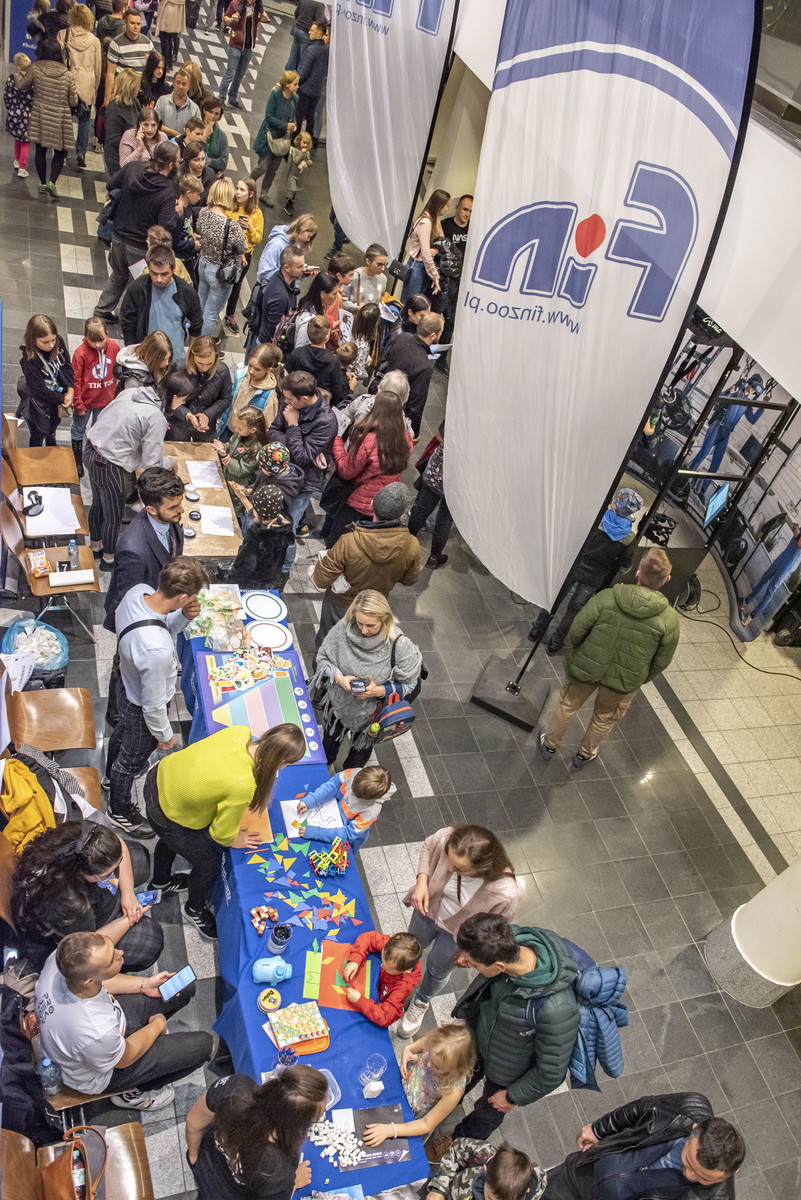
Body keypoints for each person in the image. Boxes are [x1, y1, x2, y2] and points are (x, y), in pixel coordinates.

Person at [144, 723, 306, 937]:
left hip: (159, 778)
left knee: (170, 840)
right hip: (167, 814)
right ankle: (193, 909)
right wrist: (235, 838)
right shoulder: (244, 785)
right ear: (280, 762)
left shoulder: (240, 731)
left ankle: (161, 882)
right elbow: (221, 834)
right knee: (209, 862)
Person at [34, 930, 214, 1111]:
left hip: (112, 1024)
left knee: (183, 988)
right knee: (206, 1046)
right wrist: (157, 1025)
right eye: (111, 960)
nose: (121, 953)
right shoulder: (94, 1030)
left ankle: (154, 1042)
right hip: (106, 1071)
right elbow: (126, 1058)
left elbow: (101, 981)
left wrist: (144, 985)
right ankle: (133, 1093)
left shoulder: (60, 961)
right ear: (88, 981)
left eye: (113, 949)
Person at [539, 546, 680, 768]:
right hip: (623, 680)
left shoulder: (608, 596)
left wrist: (581, 653)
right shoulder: (669, 619)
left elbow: (577, 630)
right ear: (667, 579)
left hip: (587, 665)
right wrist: (639, 677)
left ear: (637, 572)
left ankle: (549, 745)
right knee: (604, 717)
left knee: (567, 704)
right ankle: (584, 754)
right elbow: (662, 660)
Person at [450, 913, 581, 1140]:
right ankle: (447, 1105)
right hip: (483, 1039)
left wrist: (512, 1096)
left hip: (507, 1071)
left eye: (473, 963)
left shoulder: (555, 1009)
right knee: (461, 1078)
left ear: (499, 966)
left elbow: (551, 1072)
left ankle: (458, 1143)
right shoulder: (505, 942)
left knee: (487, 1114)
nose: (465, 963)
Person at [105, 554, 208, 837]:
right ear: (182, 597)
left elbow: (157, 624)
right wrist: (164, 736)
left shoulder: (138, 592)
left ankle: (109, 777)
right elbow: (152, 706)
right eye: (192, 597)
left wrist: (182, 617)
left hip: (125, 683)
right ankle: (119, 810)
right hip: (141, 706)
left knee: (121, 736)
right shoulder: (157, 652)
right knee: (129, 762)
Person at [399, 826, 521, 1038]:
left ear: (483, 868)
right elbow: (429, 845)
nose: (449, 868)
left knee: (437, 969)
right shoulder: (450, 838)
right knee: (411, 946)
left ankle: (421, 1001)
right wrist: (422, 881)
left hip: (458, 936)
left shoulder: (506, 894)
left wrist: (470, 952)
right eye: (449, 859)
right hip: (427, 910)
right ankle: (400, 978)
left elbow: (493, 931)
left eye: (460, 869)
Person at [11, 822, 164, 973]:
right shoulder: (70, 905)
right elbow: (84, 947)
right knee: (151, 940)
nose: (114, 875)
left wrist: (128, 892)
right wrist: (129, 919)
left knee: (139, 855)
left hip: (91, 903)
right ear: (80, 871)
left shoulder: (81, 837)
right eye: (106, 875)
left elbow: (120, 845)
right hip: (81, 936)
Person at [542, 1095, 745, 1200]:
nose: (690, 1175)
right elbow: (639, 1108)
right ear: (694, 1130)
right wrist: (599, 1129)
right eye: (687, 1162)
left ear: (733, 1172)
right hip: (582, 1171)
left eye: (703, 1178)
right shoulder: (690, 1106)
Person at [85, 337, 175, 568]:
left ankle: (95, 547)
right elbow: (151, 463)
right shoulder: (154, 416)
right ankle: (109, 559)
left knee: (98, 504)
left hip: (92, 447)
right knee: (113, 514)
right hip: (110, 463)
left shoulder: (132, 393)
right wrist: (169, 462)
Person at [310, 589, 422, 767]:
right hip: (338, 705)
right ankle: (325, 767)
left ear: (385, 620)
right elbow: (323, 657)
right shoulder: (344, 627)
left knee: (358, 757)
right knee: (329, 745)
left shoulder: (400, 645)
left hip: (371, 717)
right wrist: (339, 678)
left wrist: (379, 691)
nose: (363, 630)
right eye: (360, 622)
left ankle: (348, 779)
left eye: (370, 625)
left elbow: (411, 684)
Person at [186, 1065, 328, 1200]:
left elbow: (193, 1122)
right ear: (298, 1125)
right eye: (317, 1117)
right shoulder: (280, 1170)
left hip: (203, 1164)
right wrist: (294, 1183)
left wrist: (193, 1156)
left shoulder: (238, 1087)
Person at [528, 487, 641, 653]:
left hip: (574, 567)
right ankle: (555, 642)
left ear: (616, 503)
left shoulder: (595, 519)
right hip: (595, 576)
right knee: (574, 610)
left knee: (554, 599)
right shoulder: (629, 537)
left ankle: (536, 630)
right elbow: (625, 565)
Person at [313, 482, 420, 645]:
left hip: (340, 603)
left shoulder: (348, 541)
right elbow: (409, 580)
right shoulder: (412, 545)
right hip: (374, 606)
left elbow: (321, 580)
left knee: (327, 642)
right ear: (401, 516)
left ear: (372, 506)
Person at [95, 140, 183, 321]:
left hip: (117, 236)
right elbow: (166, 225)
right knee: (139, 285)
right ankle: (131, 319)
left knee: (118, 274)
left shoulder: (133, 168)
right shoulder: (167, 191)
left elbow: (111, 184)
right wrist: (177, 214)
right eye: (179, 161)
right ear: (171, 165)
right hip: (139, 247)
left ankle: (101, 311)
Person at [267, 369, 338, 575]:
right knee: (271, 519)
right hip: (279, 472)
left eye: (289, 398)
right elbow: (273, 431)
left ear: (305, 398)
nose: (284, 401)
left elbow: (301, 457)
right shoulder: (290, 403)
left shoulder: (326, 421)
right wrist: (292, 441)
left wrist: (292, 425)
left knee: (288, 527)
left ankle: (284, 570)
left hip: (303, 482)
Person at [363, 1023, 475, 1148]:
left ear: (455, 1070)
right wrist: (408, 1049)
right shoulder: (436, 1043)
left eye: (437, 1066)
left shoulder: (454, 1091)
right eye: (429, 1056)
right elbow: (419, 1044)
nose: (428, 1065)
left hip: (413, 1116)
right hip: (403, 1083)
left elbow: (426, 1124)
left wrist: (390, 1130)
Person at [324, 391, 413, 546]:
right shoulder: (405, 437)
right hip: (381, 499)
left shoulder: (368, 439)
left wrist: (337, 441)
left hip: (358, 499)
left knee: (338, 539)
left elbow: (346, 471)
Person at [103, 466, 185, 632]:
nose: (181, 510)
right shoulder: (133, 551)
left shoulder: (167, 518)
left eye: (180, 503)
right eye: (173, 507)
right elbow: (126, 602)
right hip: (142, 621)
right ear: (151, 509)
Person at [687, 373, 764, 496]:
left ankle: (702, 491)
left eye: (755, 390)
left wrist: (762, 407)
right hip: (718, 425)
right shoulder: (736, 389)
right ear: (750, 383)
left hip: (726, 433)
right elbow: (719, 397)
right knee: (703, 453)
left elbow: (752, 419)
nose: (753, 391)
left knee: (715, 465)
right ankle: (686, 477)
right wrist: (731, 391)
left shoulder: (747, 403)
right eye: (753, 387)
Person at [120, 244, 203, 356]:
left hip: (175, 357)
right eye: (154, 273)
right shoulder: (137, 289)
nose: (159, 279)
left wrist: (192, 357)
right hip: (145, 357)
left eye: (164, 274)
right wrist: (132, 352)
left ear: (173, 269)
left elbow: (196, 327)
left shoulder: (187, 293)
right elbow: (128, 323)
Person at [296, 764, 394, 849]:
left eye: (357, 796)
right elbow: (333, 784)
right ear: (364, 768)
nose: (351, 793)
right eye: (352, 787)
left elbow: (348, 834)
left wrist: (317, 833)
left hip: (342, 832)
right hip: (330, 810)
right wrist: (312, 799)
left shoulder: (371, 811)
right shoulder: (355, 772)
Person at [197, 177, 248, 336]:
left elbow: (199, 230)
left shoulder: (203, 212)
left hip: (203, 264)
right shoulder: (231, 225)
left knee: (201, 305)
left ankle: (193, 335)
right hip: (220, 273)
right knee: (211, 314)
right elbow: (242, 248)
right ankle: (203, 344)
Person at [70, 315, 120, 477]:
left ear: (107, 333)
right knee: (78, 429)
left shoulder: (114, 347)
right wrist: (78, 404)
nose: (97, 344)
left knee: (99, 430)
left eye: (100, 340)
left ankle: (93, 457)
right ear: (85, 336)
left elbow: (118, 370)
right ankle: (77, 460)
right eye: (93, 341)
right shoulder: (80, 353)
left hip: (105, 401)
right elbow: (75, 381)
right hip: (85, 402)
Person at [382, 311, 445, 438]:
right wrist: (414, 433)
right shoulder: (424, 366)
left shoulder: (402, 337)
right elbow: (416, 404)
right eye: (441, 332)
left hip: (382, 395)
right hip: (396, 413)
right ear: (433, 335)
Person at [28, 36, 76, 199]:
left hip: (40, 115)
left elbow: (23, 85)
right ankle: (52, 182)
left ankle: (42, 183)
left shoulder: (35, 69)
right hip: (60, 118)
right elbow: (73, 100)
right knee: (60, 152)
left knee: (40, 151)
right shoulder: (67, 74)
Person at [341, 930, 422, 1027]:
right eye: (382, 960)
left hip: (380, 1000)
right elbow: (369, 938)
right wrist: (355, 960)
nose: (382, 966)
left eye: (388, 968)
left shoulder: (403, 988)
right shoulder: (393, 948)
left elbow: (385, 1017)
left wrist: (359, 1000)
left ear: (406, 971)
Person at [18, 313, 74, 447]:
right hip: (39, 405)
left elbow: (67, 365)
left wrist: (70, 389)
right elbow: (39, 390)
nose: (51, 345)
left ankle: (51, 443)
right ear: (33, 339)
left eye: (53, 340)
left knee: (53, 426)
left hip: (57, 399)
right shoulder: (29, 361)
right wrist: (63, 398)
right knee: (38, 434)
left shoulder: (59, 342)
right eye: (45, 342)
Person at [225, 483, 295, 588]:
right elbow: (258, 515)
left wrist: (229, 586)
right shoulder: (284, 525)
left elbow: (241, 569)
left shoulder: (256, 538)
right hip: (271, 577)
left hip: (252, 583)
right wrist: (242, 497)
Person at [57, 4, 99, 169]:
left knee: (65, 118)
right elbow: (97, 67)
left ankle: (63, 151)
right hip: (87, 82)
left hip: (67, 81)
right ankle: (81, 152)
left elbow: (58, 61)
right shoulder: (94, 41)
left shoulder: (63, 35)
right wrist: (95, 88)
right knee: (85, 119)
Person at [430, 1142, 545, 1200]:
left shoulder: (532, 1191)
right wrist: (439, 1189)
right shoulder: (482, 1153)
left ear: (525, 1191)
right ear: (485, 1171)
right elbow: (455, 1153)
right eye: (490, 1197)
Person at [170, 335, 232, 441]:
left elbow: (226, 399)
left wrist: (208, 414)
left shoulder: (222, 370)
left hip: (206, 426)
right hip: (179, 424)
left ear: (216, 357)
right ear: (192, 355)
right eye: (200, 363)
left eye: (209, 363)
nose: (204, 368)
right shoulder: (179, 368)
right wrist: (187, 414)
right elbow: (169, 398)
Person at [408, 422, 452, 569]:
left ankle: (406, 543)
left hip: (436, 471)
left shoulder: (460, 414)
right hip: (457, 483)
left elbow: (440, 434)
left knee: (421, 509)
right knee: (444, 520)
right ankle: (434, 557)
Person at [740, 524, 801, 628]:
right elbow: (796, 533)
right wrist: (795, 528)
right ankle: (746, 601)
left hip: (788, 564)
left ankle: (751, 616)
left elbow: (799, 540)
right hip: (783, 556)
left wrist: (797, 532)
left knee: (771, 589)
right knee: (765, 577)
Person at [223, 176, 263, 333]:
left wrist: (250, 228)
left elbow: (258, 238)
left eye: (242, 190)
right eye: (237, 188)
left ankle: (229, 314)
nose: (237, 192)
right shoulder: (229, 206)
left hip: (245, 255)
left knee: (236, 284)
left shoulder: (256, 213)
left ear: (251, 194)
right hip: (227, 252)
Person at [252, 69, 298, 206]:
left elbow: (293, 116)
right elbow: (269, 117)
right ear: (287, 84)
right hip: (269, 138)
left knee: (273, 169)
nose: (297, 87)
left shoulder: (295, 99)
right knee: (263, 166)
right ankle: (247, 184)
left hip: (282, 140)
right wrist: (285, 125)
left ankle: (264, 193)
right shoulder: (275, 95)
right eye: (295, 84)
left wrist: (293, 125)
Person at [211, 405, 268, 517]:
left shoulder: (256, 449)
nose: (236, 430)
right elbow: (231, 445)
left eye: (239, 428)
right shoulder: (239, 434)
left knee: (232, 514)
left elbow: (241, 471)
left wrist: (225, 456)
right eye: (235, 427)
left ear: (252, 430)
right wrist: (224, 446)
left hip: (238, 487)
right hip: (227, 478)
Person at [217, 342, 283, 436]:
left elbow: (267, 427)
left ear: (269, 369)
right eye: (250, 365)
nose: (251, 371)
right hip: (227, 427)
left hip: (245, 438)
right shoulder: (240, 375)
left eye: (257, 369)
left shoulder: (270, 397)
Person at [286, 314, 349, 406]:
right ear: (327, 337)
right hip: (320, 405)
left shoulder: (296, 353)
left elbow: (287, 377)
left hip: (297, 402)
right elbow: (336, 391)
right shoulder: (333, 361)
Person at [402, 188, 451, 302]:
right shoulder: (425, 222)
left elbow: (443, 243)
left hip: (424, 266)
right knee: (410, 302)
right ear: (440, 206)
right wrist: (435, 275)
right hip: (418, 266)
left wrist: (436, 250)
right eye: (447, 206)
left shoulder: (434, 220)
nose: (448, 209)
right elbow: (426, 253)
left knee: (417, 302)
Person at [438, 193, 472, 349]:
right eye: (465, 209)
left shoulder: (474, 229)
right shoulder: (445, 226)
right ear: (457, 208)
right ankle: (426, 352)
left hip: (463, 282)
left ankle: (440, 356)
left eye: (471, 211)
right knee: (436, 316)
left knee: (451, 320)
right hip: (444, 279)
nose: (467, 214)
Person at [219, 0, 265, 109]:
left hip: (248, 46)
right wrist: (231, 19)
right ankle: (221, 98)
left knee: (239, 75)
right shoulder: (235, 3)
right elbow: (226, 17)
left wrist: (262, 17)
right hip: (235, 44)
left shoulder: (257, 7)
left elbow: (262, 19)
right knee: (230, 74)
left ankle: (232, 98)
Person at [257, 244, 304, 344]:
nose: (303, 269)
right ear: (286, 268)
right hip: (270, 347)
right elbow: (275, 332)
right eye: (299, 266)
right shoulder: (279, 295)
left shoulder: (282, 277)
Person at [105, 8, 153, 105]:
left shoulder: (147, 42)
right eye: (132, 23)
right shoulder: (116, 43)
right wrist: (107, 98)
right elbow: (110, 73)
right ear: (125, 23)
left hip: (140, 92)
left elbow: (154, 64)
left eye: (138, 24)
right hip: (122, 92)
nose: (136, 27)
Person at [256, 211, 317, 285]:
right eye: (309, 236)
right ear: (302, 229)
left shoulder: (296, 244)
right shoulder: (276, 245)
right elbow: (264, 274)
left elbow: (292, 265)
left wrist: (303, 269)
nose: (308, 240)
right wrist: (290, 272)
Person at [103, 66, 142, 177]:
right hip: (116, 157)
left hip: (132, 153)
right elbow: (113, 138)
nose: (139, 88)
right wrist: (134, 142)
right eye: (138, 85)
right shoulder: (114, 107)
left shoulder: (135, 102)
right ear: (130, 86)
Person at [294, 20, 328, 143]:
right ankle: (308, 142)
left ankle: (295, 141)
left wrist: (296, 84)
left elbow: (303, 71)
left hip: (304, 89)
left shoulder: (312, 50)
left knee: (298, 116)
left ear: (319, 34)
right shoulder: (326, 50)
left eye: (312, 30)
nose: (309, 32)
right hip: (317, 90)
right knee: (310, 116)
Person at [292, 269, 341, 350]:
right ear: (323, 294)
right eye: (334, 294)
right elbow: (300, 349)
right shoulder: (308, 320)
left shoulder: (317, 307)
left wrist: (327, 330)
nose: (336, 297)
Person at [5, 53, 34, 181]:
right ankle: (22, 168)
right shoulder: (32, 82)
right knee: (25, 141)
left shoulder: (11, 79)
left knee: (17, 138)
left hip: (14, 114)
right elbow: (33, 99)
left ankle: (17, 160)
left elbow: (7, 97)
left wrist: (11, 109)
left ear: (17, 66)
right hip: (27, 116)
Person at [342, 244, 388, 314]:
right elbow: (342, 301)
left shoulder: (383, 279)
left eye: (385, 264)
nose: (383, 268)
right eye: (379, 264)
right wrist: (357, 308)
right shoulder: (354, 277)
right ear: (368, 261)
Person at [154, 64, 198, 137]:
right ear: (173, 83)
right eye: (178, 82)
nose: (180, 86)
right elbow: (155, 123)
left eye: (184, 84)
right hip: (162, 140)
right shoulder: (162, 101)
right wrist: (178, 135)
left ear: (189, 86)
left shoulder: (194, 109)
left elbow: (196, 133)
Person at [285, 0, 325, 70]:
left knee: (293, 56)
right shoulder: (319, 4)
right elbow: (319, 22)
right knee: (303, 60)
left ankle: (288, 73)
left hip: (297, 29)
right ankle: (299, 75)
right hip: (307, 32)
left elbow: (296, 13)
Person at [350, 302, 380, 383]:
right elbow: (359, 373)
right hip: (348, 378)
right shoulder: (364, 345)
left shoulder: (350, 326)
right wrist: (366, 374)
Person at [284, 129, 312, 216]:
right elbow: (296, 161)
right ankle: (287, 205)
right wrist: (302, 153)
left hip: (299, 174)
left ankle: (291, 203)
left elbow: (306, 160)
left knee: (295, 190)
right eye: (304, 142)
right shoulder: (294, 151)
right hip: (292, 174)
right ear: (299, 141)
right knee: (291, 190)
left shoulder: (306, 152)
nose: (305, 145)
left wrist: (308, 163)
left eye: (307, 143)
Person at [154, 0, 185, 71]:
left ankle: (165, 62)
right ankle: (169, 62)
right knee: (169, 36)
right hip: (177, 9)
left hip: (168, 7)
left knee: (164, 35)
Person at [201, 96, 229, 172]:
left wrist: (208, 160)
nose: (213, 116)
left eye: (216, 114)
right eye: (210, 112)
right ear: (204, 110)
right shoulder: (194, 127)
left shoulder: (222, 136)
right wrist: (204, 136)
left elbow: (223, 164)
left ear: (219, 117)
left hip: (211, 172)